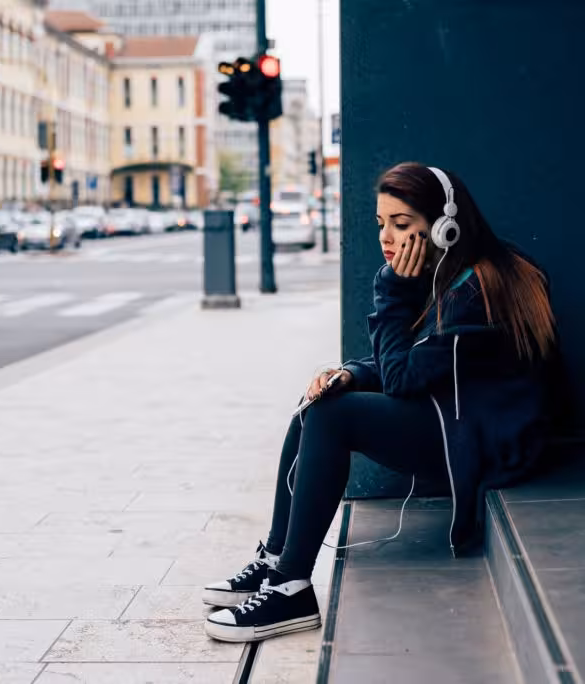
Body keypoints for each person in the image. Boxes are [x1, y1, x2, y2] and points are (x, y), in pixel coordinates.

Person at [202, 162, 558, 644]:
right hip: (459, 419)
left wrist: (392, 287)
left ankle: (291, 588)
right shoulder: (453, 274)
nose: (387, 238)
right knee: (324, 397)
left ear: (445, 225)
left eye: (402, 224)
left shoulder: (477, 287)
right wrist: (350, 372)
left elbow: (402, 377)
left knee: (334, 413)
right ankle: (275, 559)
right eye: (381, 224)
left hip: (486, 444)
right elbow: (413, 362)